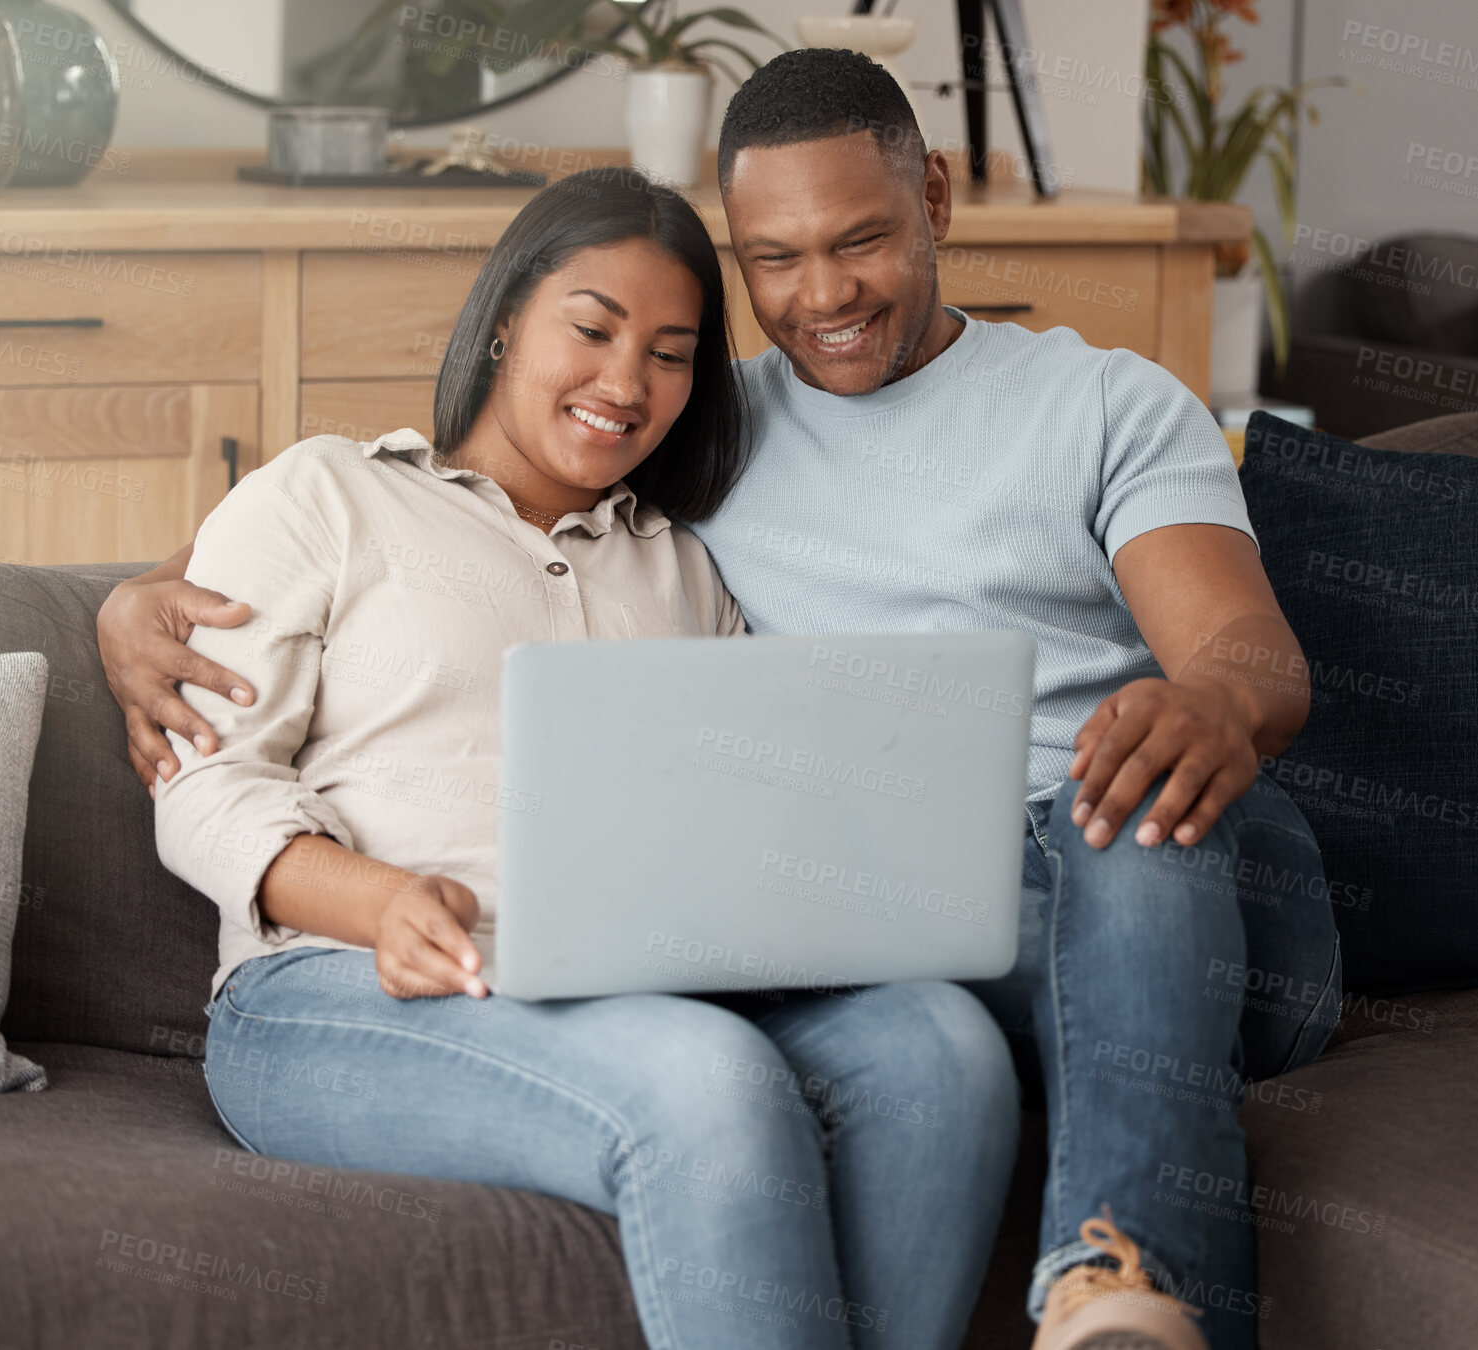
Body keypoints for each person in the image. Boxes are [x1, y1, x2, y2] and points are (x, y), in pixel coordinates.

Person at [99, 50, 1343, 1350]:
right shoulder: (485, 478)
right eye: (774, 261)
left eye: (860, 238)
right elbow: (237, 707)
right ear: (505, 314)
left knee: (1057, 900)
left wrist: (1207, 696)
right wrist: (125, 603)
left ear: (935, 197)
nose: (822, 295)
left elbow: (1244, 654)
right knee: (829, 1059)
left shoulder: (1033, 423)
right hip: (485, 953)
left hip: (1150, 860)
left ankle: (1119, 1287)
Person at [136, 166, 1021, 1350]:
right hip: (331, 992)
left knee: (943, 1048)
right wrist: (384, 900)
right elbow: (202, 784)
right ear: (506, 317)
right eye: (591, 329)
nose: (625, 383)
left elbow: (753, 805)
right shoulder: (325, 496)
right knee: (705, 1080)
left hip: (639, 988)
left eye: (670, 353)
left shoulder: (686, 567)